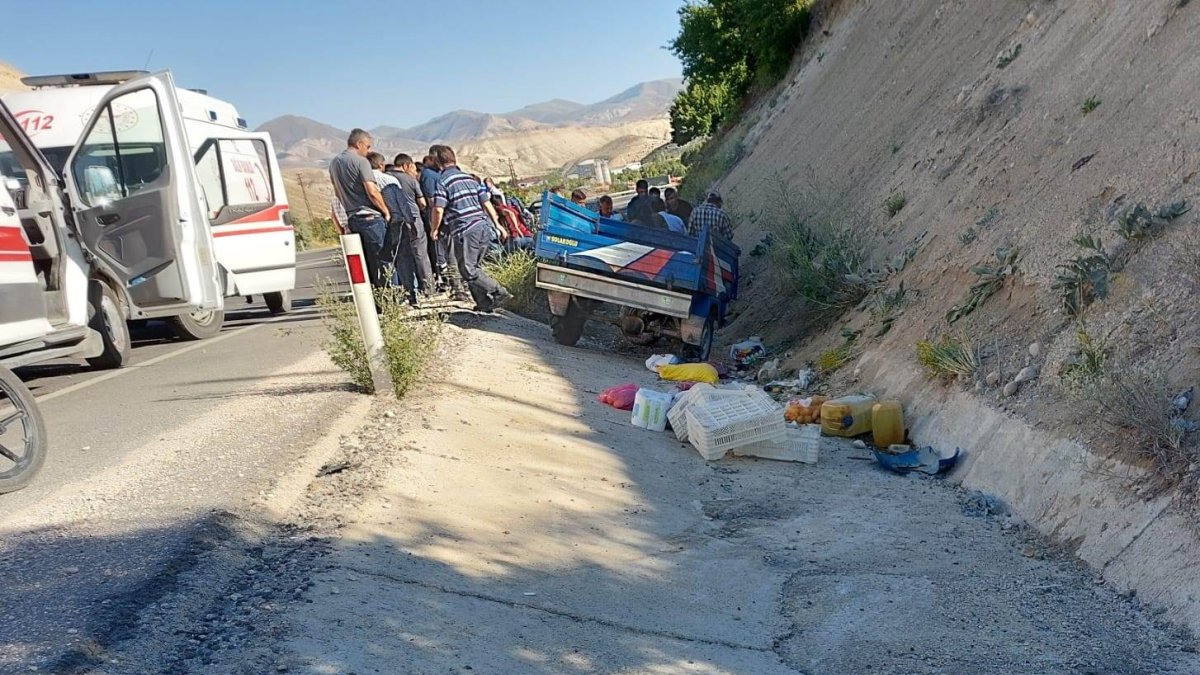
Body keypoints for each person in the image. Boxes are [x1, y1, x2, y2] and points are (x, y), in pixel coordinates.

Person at [430, 145, 512, 312]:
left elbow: (438, 209)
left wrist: (434, 229)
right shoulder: (469, 178)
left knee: (468, 269)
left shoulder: (443, 181)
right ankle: (483, 303)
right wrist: (496, 225)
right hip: (483, 226)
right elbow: (486, 203)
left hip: (465, 229)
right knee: (475, 267)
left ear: (437, 161)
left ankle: (499, 293)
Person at [329, 129, 389, 287]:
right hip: (370, 217)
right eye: (367, 146)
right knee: (384, 261)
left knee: (366, 264)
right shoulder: (361, 162)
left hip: (352, 219)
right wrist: (386, 211)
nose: (368, 151)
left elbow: (337, 192)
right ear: (359, 144)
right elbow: (372, 191)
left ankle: (375, 302)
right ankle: (392, 299)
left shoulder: (334, 163)